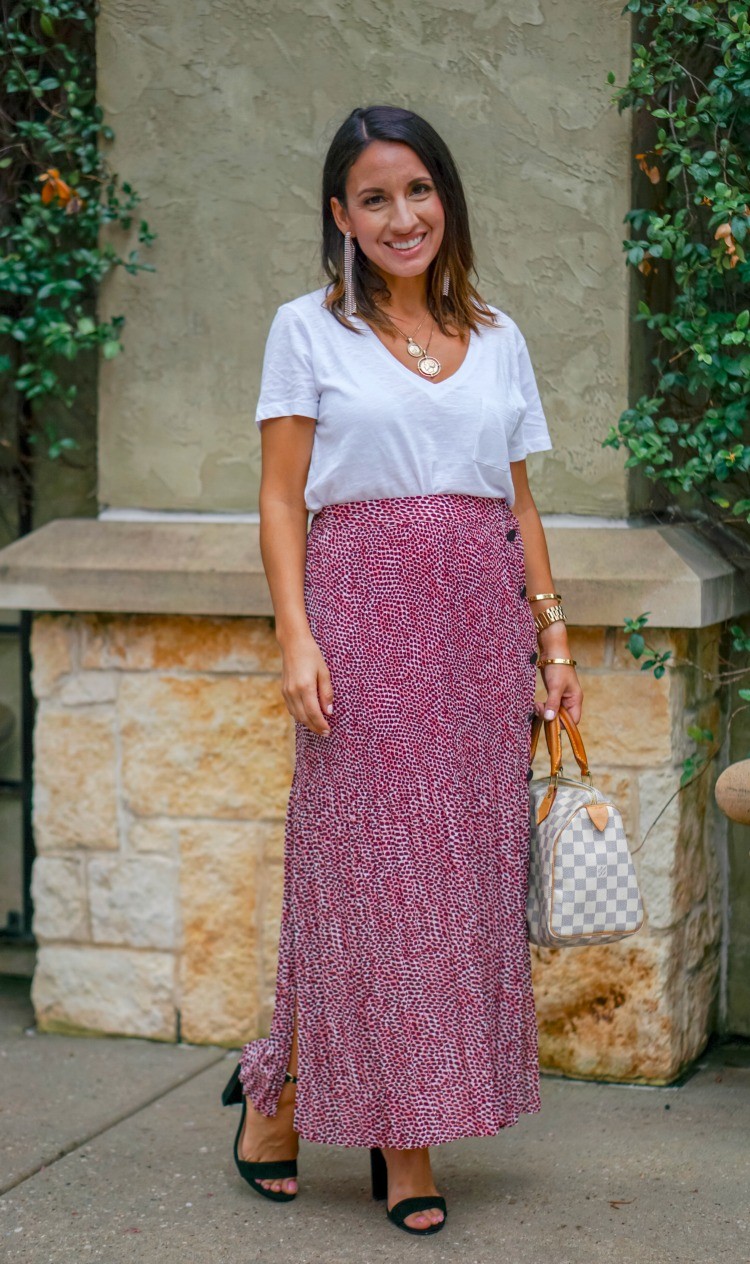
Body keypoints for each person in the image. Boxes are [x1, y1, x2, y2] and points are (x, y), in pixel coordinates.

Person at [221, 103, 584, 1237]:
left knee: (454, 887)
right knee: (369, 879)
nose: (401, 215)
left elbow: (515, 501)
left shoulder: (500, 334)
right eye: (373, 198)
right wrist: (295, 632)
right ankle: (401, 1141)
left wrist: (554, 642)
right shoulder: (306, 330)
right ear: (340, 216)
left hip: (479, 631)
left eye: (417, 191)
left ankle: (278, 1090)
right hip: (362, 620)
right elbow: (283, 497)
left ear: (446, 200)